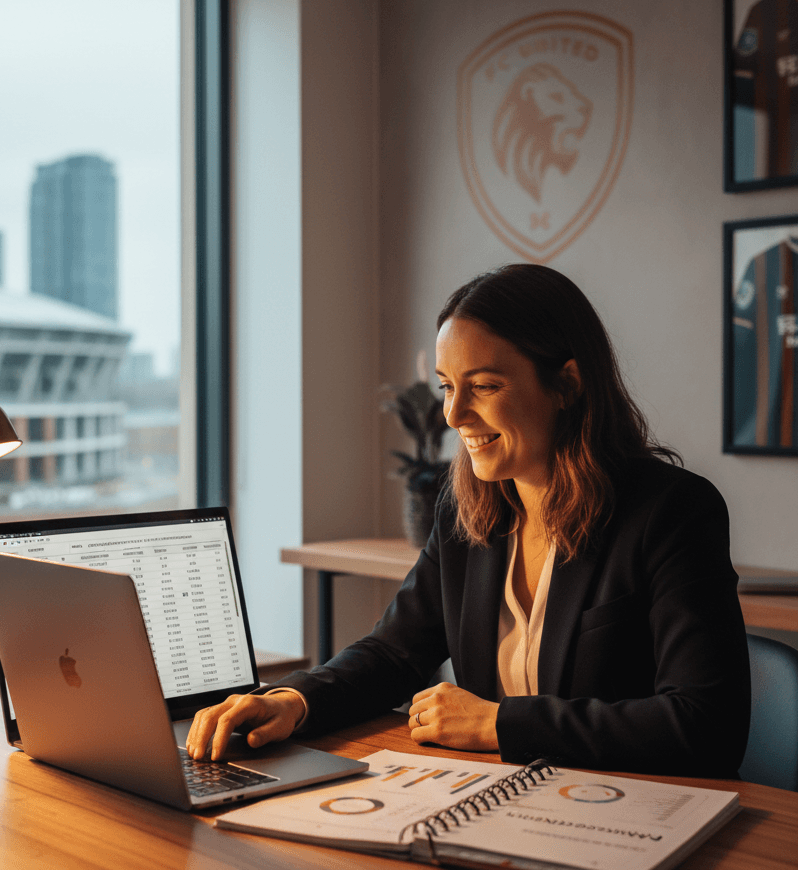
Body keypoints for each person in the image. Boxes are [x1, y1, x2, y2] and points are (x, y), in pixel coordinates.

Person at [187, 265, 751, 778]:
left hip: (631, 812)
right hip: (503, 802)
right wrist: (294, 700)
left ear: (567, 385)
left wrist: (498, 724)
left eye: (483, 386)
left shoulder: (672, 511)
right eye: (447, 386)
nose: (454, 415)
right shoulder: (464, 510)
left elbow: (707, 723)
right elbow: (393, 653)